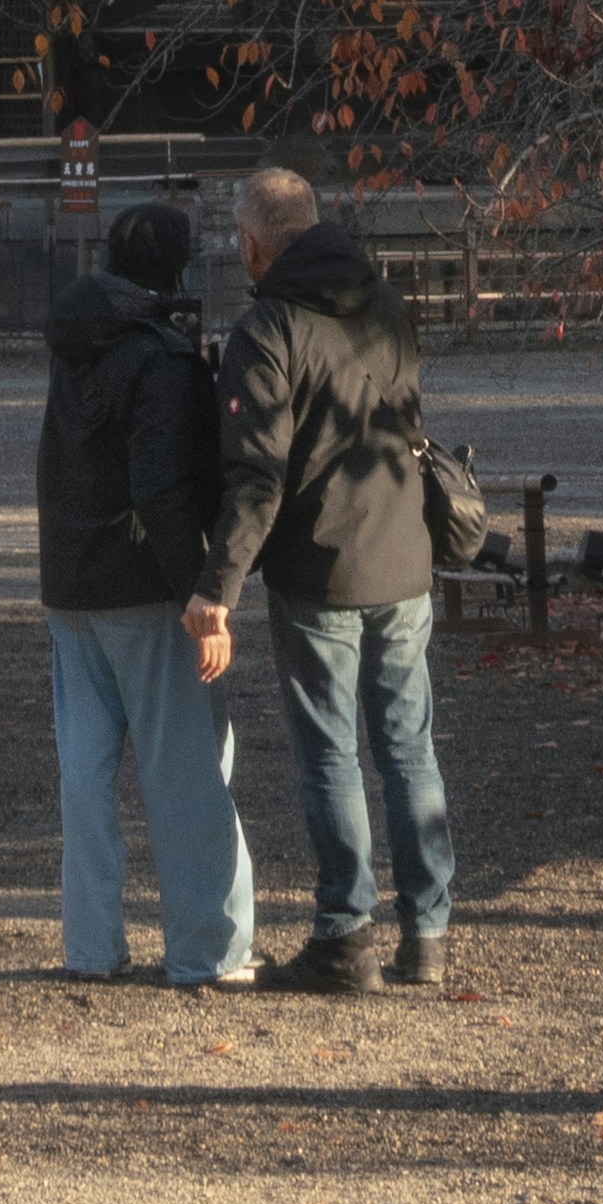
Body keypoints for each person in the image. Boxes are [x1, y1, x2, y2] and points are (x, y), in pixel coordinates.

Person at [188, 162, 455, 998]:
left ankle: (346, 931)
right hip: (404, 553)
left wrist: (218, 588)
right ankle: (429, 933)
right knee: (408, 746)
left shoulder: (267, 330)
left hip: (321, 566)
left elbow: (257, 477)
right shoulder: (387, 306)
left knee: (331, 754)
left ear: (251, 244)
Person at [35, 197, 255, 992]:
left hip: (70, 582)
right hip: (138, 585)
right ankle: (207, 949)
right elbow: (160, 487)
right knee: (185, 769)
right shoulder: (160, 359)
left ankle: (92, 944)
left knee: (85, 774)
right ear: (179, 265)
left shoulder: (76, 342)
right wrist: (199, 590)